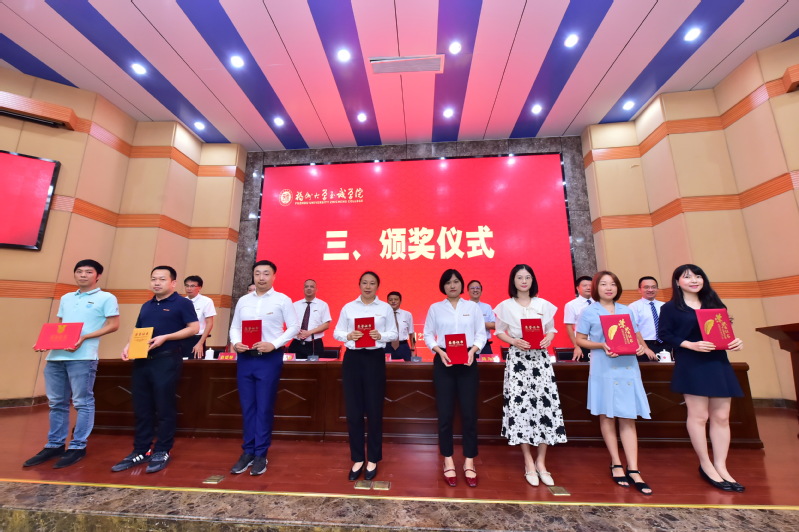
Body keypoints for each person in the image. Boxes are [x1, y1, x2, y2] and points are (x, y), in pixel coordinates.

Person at [25, 259, 119, 469]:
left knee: (82, 402)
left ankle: (77, 446)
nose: (83, 275)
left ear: (97, 276)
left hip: (83, 357)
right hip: (56, 357)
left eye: (88, 272)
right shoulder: (66, 298)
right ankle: (55, 445)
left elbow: (114, 325)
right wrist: (46, 342)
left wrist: (85, 337)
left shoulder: (106, 297)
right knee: (56, 402)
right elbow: (61, 327)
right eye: (79, 271)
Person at [658, 264, 745, 492]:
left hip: (718, 362)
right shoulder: (670, 308)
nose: (694, 280)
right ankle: (706, 465)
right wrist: (690, 344)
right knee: (699, 416)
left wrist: (735, 342)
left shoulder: (714, 303)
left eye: (698, 276)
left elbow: (725, 332)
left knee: (722, 417)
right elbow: (664, 335)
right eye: (687, 277)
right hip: (692, 363)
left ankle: (721, 466)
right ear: (677, 282)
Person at [113, 266, 199, 474]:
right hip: (142, 360)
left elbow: (194, 328)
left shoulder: (182, 303)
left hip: (166, 360)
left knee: (164, 406)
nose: (157, 283)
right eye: (153, 279)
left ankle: (162, 450)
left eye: (162, 279)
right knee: (142, 407)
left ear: (173, 283)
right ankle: (141, 450)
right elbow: (138, 330)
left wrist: (166, 338)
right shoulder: (147, 305)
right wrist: (128, 346)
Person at [575, 271, 652, 495]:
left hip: (627, 367)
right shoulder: (589, 312)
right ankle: (616, 463)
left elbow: (635, 336)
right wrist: (601, 345)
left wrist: (641, 347)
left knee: (628, 417)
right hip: (604, 367)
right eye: (604, 284)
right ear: (596, 288)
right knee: (607, 415)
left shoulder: (627, 310)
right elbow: (580, 339)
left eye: (613, 284)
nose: (609, 288)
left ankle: (634, 468)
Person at [494, 264, 566, 488]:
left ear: (533, 280)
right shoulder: (505, 306)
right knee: (521, 409)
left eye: (527, 277)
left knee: (545, 407)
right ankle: (528, 462)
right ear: (513, 281)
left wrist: (549, 338)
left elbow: (552, 329)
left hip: (541, 360)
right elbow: (499, 331)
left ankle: (541, 462)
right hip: (518, 361)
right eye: (519, 277)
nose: (524, 281)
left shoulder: (544, 305)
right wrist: (513, 341)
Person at [228, 260, 299, 476]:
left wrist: (274, 344)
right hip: (245, 358)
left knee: (264, 406)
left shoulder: (282, 300)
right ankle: (247, 451)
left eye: (266, 273)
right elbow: (235, 327)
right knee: (248, 406)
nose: (261, 277)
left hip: (269, 358)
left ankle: (261, 453)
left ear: (274, 276)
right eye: (257, 273)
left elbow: (294, 327)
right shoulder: (243, 300)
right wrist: (236, 343)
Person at [333, 271, 398, 481]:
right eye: (364, 283)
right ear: (359, 284)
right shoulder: (348, 307)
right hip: (352, 359)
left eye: (372, 283)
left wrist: (381, 335)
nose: (368, 286)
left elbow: (394, 334)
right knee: (353, 412)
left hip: (374, 360)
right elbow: (336, 332)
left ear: (377, 286)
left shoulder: (385, 308)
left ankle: (373, 459)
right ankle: (358, 458)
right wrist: (348, 335)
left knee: (374, 410)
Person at [424, 269, 486, 487]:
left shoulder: (472, 307)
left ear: (462, 285)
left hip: (468, 361)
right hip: (444, 361)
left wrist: (473, 351)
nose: (452, 285)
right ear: (443, 286)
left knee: (469, 413)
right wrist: (438, 351)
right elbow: (427, 334)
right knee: (445, 414)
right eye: (448, 282)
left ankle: (469, 460)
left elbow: (481, 334)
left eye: (456, 282)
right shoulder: (435, 308)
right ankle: (448, 459)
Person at [288, 279, 332, 359]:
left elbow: (326, 325)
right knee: (293, 366)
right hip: (297, 342)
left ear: (316, 290)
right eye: (306, 286)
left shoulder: (322, 305)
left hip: (315, 344)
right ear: (303, 289)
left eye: (312, 287)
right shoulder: (295, 305)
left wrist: (309, 333)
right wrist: (296, 331)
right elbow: (289, 322)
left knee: (315, 367)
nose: (309, 288)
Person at [628, 276, 667, 363]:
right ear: (639, 290)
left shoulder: (664, 306)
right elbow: (633, 329)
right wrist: (645, 348)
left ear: (657, 289)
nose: (650, 290)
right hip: (643, 345)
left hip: (664, 344)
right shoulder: (634, 307)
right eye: (646, 287)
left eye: (653, 287)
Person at [182, 275, 216, 359]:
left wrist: (200, 343)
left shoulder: (206, 301)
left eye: (192, 286)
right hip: (182, 338)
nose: (189, 288)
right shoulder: (182, 301)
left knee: (194, 364)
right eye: (187, 286)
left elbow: (209, 323)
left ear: (199, 287)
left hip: (197, 339)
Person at [565, 276, 594, 361]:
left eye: (591, 285)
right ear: (577, 288)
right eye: (585, 285)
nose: (588, 288)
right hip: (583, 343)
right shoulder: (571, 305)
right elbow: (569, 327)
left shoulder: (600, 303)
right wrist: (576, 346)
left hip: (600, 342)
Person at [385, 291, 415, 361]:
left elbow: (411, 333)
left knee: (407, 366)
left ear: (400, 301)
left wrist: (413, 349)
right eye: (390, 300)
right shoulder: (383, 315)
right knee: (386, 367)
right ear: (387, 302)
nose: (393, 301)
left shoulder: (407, 314)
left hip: (403, 346)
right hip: (387, 346)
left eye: (396, 299)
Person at [467, 280, 495, 355]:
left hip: (484, 346)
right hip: (468, 345)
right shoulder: (463, 307)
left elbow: (494, 325)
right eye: (472, 288)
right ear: (468, 291)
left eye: (477, 288)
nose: (475, 290)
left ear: (481, 291)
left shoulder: (487, 307)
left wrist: (477, 323)